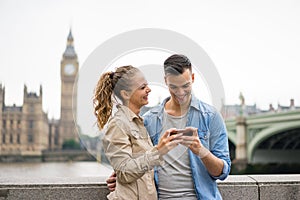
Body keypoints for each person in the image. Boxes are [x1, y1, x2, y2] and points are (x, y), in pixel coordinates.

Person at [106, 55, 231, 199]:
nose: (180, 93)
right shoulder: (149, 120)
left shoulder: (211, 116)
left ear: (193, 78)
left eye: (185, 86)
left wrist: (201, 151)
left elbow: (223, 172)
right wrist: (121, 177)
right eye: (173, 87)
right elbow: (138, 162)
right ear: (165, 81)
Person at [93, 65, 182, 200]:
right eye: (142, 87)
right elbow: (124, 172)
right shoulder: (117, 124)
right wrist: (159, 151)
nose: (149, 89)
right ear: (125, 94)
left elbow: (133, 167)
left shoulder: (139, 123)